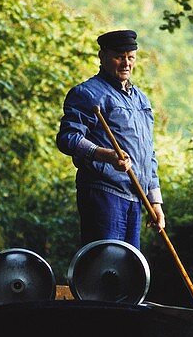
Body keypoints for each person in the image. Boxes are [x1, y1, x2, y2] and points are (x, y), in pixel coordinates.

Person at [56, 29, 166, 249]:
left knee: (127, 272)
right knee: (103, 267)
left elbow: (147, 152)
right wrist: (105, 155)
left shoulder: (140, 99)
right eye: (119, 56)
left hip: (136, 199)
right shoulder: (86, 93)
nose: (126, 63)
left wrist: (155, 201)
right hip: (104, 195)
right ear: (102, 56)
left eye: (131, 57)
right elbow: (67, 138)